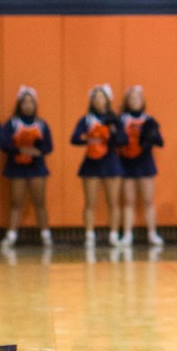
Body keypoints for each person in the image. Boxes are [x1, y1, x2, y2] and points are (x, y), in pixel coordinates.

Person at [71, 84, 124, 247]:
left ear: (108, 100)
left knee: (113, 201)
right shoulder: (86, 119)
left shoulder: (115, 119)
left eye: (101, 97)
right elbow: (74, 138)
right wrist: (90, 138)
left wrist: (113, 131)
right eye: (95, 98)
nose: (98, 100)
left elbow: (124, 140)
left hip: (111, 162)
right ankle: (89, 235)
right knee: (90, 201)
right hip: (91, 162)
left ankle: (114, 235)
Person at [1, 86, 53, 247]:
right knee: (16, 202)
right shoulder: (12, 123)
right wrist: (19, 150)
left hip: (36, 167)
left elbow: (48, 146)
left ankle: (45, 234)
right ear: (19, 104)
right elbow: (3, 143)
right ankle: (11, 235)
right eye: (25, 102)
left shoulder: (41, 124)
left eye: (31, 102)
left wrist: (36, 151)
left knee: (40, 202)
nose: (28, 105)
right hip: (17, 167)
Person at [118, 86, 165, 247]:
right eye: (132, 98)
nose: (135, 101)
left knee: (148, 200)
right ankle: (127, 234)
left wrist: (151, 137)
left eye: (137, 98)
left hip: (145, 163)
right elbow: (116, 140)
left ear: (142, 101)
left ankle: (152, 233)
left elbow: (159, 141)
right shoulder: (121, 119)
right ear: (127, 102)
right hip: (127, 163)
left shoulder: (149, 119)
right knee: (128, 201)